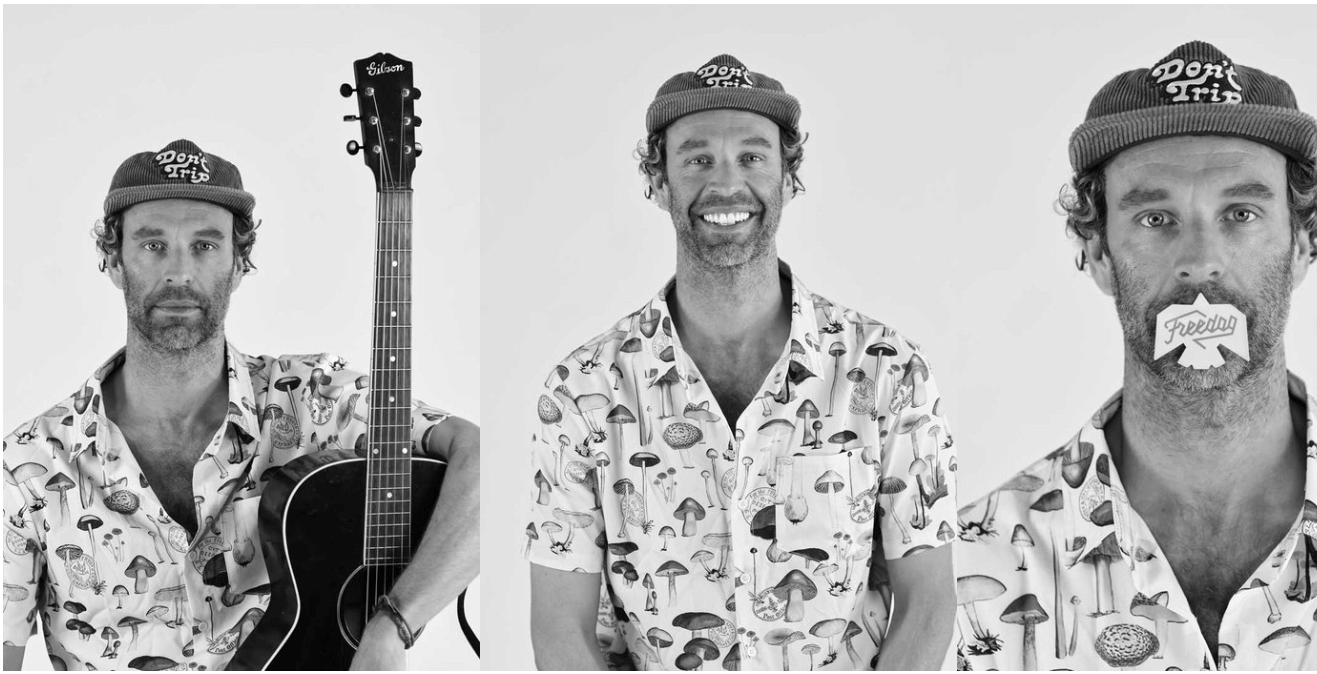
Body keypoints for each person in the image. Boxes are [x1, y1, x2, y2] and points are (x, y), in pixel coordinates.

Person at [955, 41, 1317, 671]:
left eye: (1241, 213)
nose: (1200, 259)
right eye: (1156, 218)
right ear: (1099, 253)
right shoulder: (964, 575)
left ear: (1301, 246)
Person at [526, 55, 956, 670]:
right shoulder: (579, 389)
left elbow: (929, 606)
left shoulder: (889, 371)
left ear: (787, 178)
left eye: (752, 157)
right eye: (697, 159)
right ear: (659, 182)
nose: (726, 184)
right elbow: (560, 632)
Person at [1, 139, 481, 671]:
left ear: (240, 263)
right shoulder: (29, 466)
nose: (179, 273)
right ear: (113, 261)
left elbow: (484, 459)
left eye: (205, 246)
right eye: (153, 245)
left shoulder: (312, 400)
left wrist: (396, 622)